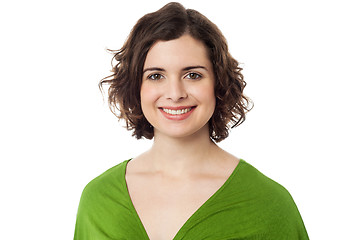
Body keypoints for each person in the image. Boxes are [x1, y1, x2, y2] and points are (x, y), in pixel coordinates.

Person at [74, 2, 309, 239]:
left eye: (193, 75)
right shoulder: (98, 200)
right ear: (136, 86)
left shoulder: (268, 203)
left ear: (218, 82)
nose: (175, 93)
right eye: (156, 76)